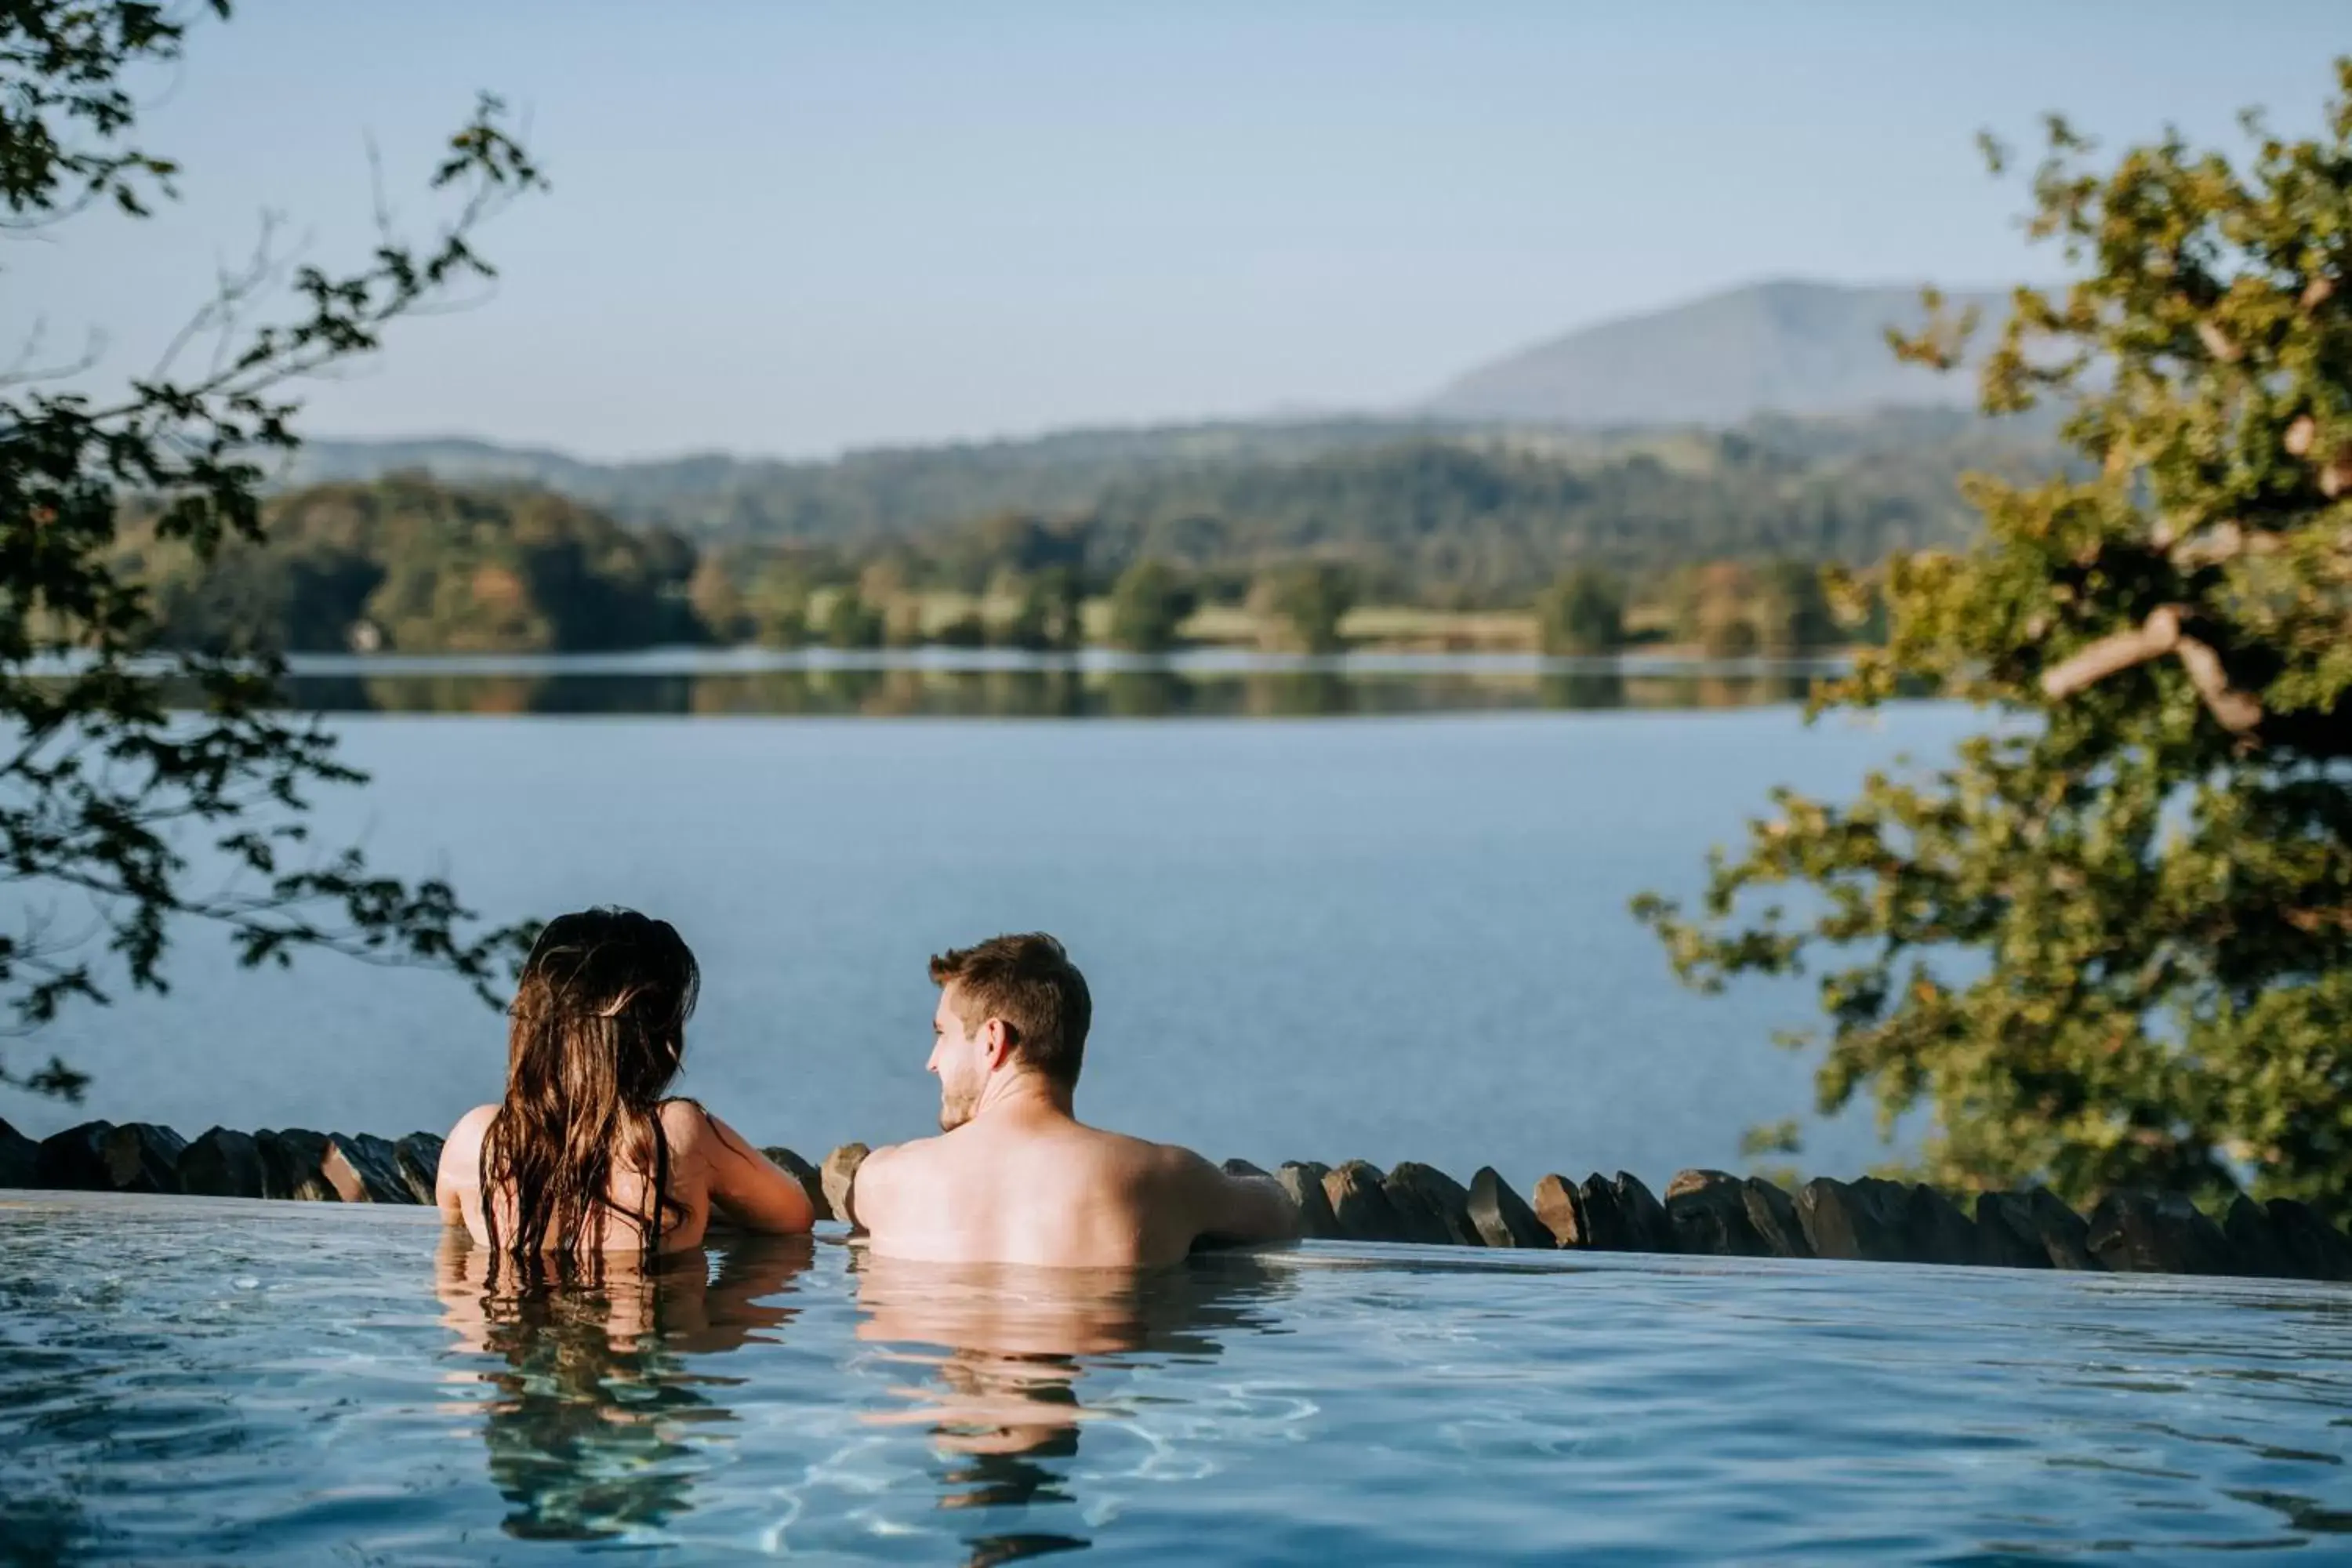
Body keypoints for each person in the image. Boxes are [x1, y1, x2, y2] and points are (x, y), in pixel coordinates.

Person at [851, 932, 1297, 1268]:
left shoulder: (885, 1180)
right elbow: (1278, 1213)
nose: (932, 1062)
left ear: (992, 1041)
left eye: (941, 1035)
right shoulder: (1154, 1178)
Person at [437, 906, 815, 1259]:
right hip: (648, 1325)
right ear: (662, 1040)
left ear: (529, 1030)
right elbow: (793, 1215)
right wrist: (701, 1197)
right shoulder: (676, 1134)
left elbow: (454, 1228)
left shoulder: (477, 1138)